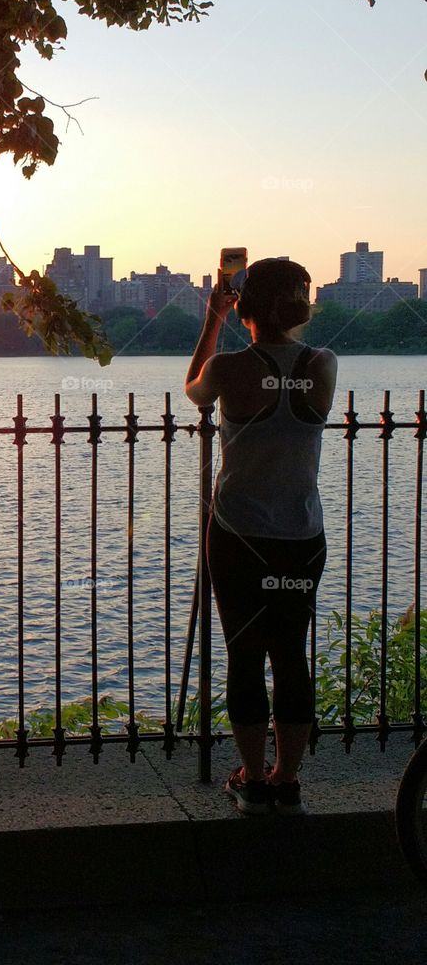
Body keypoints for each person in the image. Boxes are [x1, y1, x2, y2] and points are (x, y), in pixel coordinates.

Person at [184, 258, 337, 815]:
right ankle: (287, 779)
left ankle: (251, 776)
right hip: (302, 534)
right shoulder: (324, 364)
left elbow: (194, 393)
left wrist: (211, 319)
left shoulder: (227, 368)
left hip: (239, 535)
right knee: (291, 653)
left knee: (244, 654)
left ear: (244, 305)